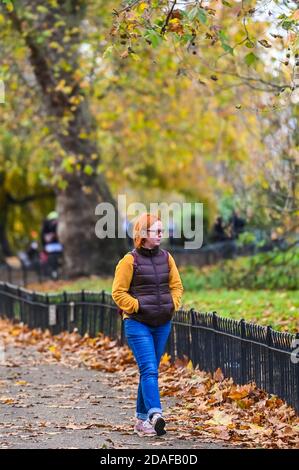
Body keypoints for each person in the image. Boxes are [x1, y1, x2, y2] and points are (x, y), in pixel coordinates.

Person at [112, 213, 184, 437]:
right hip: (137, 323)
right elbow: (118, 292)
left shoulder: (167, 257)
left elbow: (177, 286)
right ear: (142, 234)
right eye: (157, 231)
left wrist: (172, 304)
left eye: (163, 231)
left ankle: (141, 421)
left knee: (148, 371)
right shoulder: (129, 261)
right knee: (150, 369)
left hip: (162, 323)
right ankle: (155, 414)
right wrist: (137, 306)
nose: (162, 234)